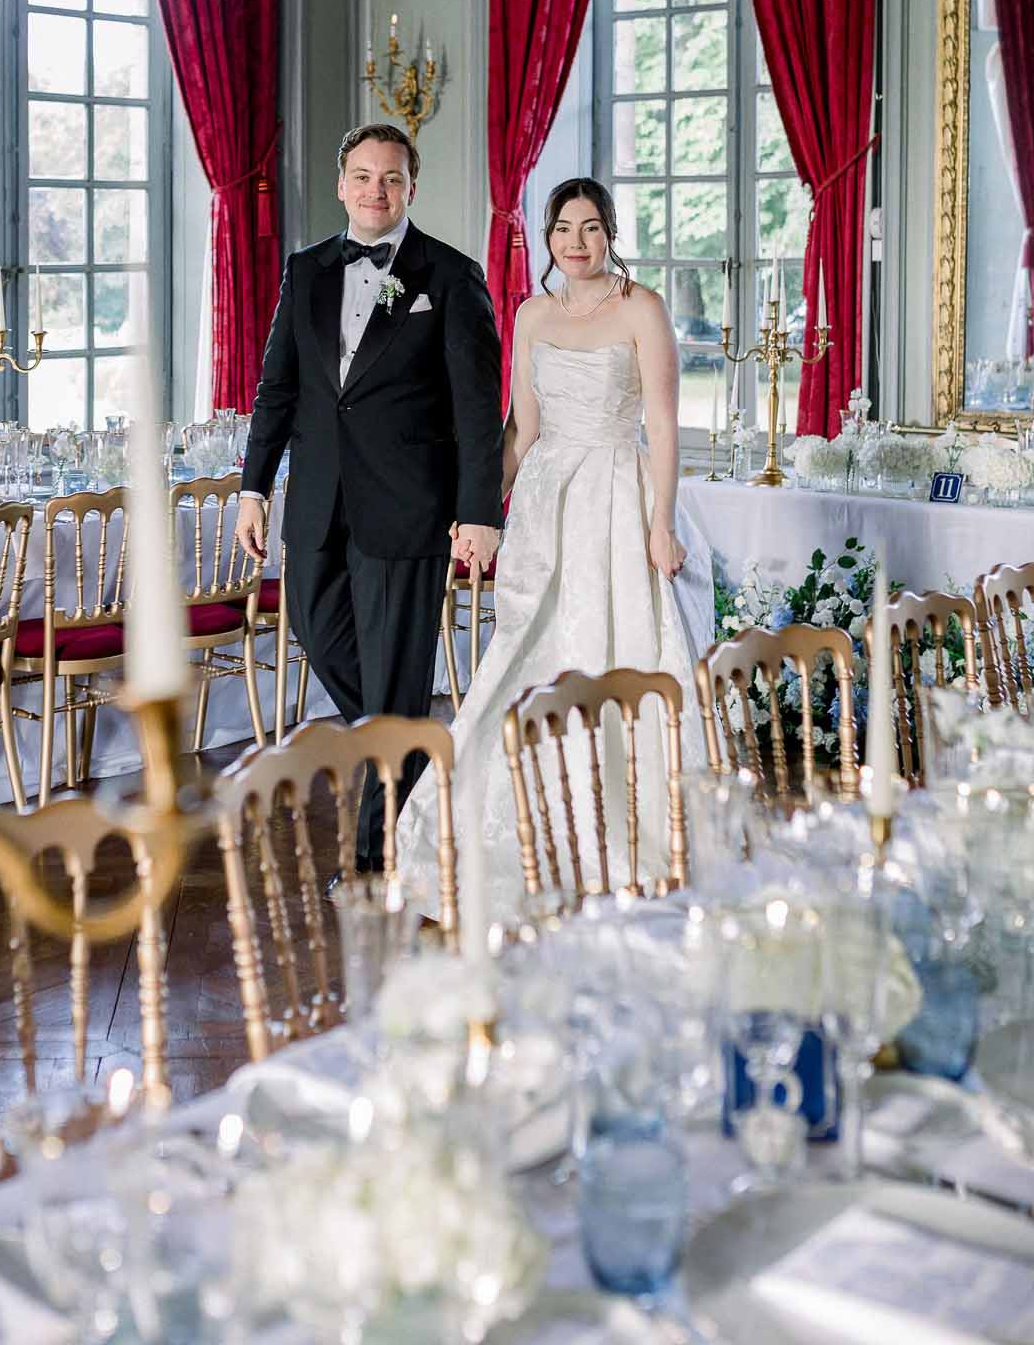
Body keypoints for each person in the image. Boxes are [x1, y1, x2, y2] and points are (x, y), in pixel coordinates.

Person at [394, 176, 712, 917]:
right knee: (525, 649)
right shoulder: (532, 314)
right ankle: (508, 834)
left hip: (614, 495)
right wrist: (478, 511)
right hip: (545, 499)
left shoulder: (642, 307)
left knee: (614, 646)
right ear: (547, 237)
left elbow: (662, 424)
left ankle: (624, 838)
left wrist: (660, 522)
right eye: (563, 229)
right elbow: (520, 430)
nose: (577, 242)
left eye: (591, 227)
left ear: (610, 234)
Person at [237, 123, 504, 871]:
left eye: (389, 178)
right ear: (339, 184)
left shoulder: (451, 276)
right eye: (361, 176)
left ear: (410, 186)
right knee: (321, 640)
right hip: (317, 504)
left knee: (393, 676)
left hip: (409, 508)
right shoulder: (305, 270)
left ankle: (377, 861)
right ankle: (412, 744)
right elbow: (277, 388)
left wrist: (479, 512)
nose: (375, 191)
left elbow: (478, 408)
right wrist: (252, 487)